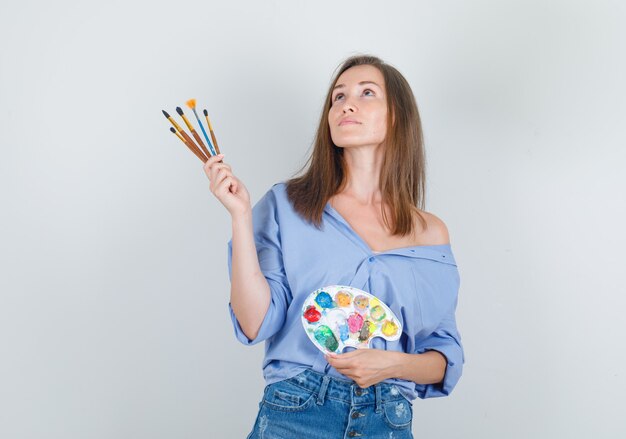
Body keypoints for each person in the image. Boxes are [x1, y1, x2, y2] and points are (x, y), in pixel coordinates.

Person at [204, 54, 465, 439]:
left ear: (397, 116)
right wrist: (240, 216)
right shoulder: (286, 205)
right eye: (337, 97)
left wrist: (390, 363)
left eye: (366, 93)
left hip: (386, 419)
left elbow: (443, 358)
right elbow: (254, 322)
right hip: (297, 412)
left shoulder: (430, 232)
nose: (347, 104)